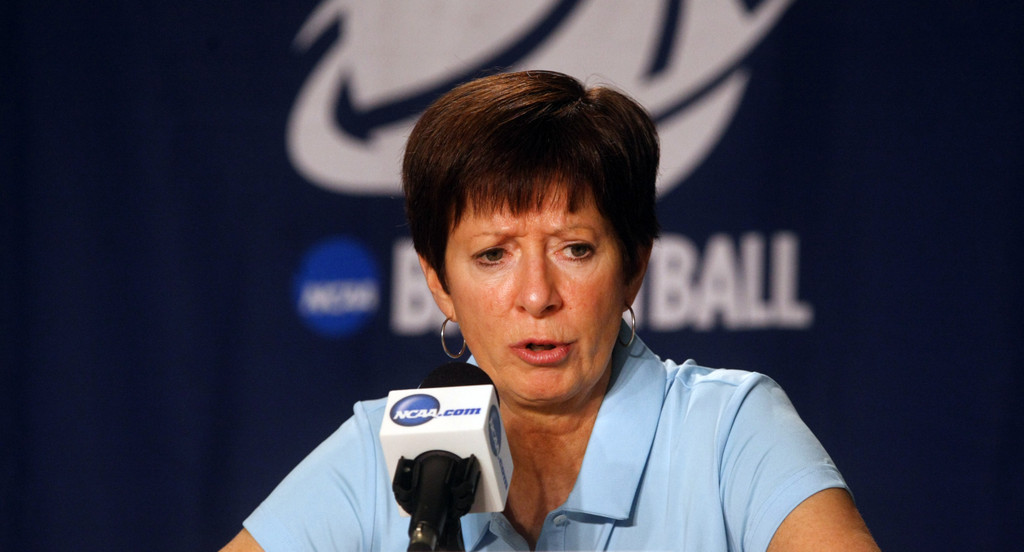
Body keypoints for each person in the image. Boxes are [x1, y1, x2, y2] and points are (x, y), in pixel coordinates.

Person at [222, 70, 879, 551]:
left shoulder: (728, 428)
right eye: (492, 256)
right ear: (439, 284)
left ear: (633, 266)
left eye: (574, 248)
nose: (537, 295)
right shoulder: (389, 449)